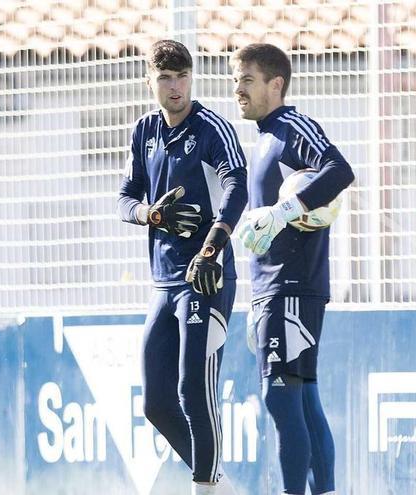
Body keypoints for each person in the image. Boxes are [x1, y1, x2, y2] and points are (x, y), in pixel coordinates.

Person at [117, 40, 247, 495]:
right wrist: (150, 214)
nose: (176, 87)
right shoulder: (144, 130)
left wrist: (213, 243)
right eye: (166, 78)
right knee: (156, 402)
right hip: (164, 282)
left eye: (183, 76)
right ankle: (220, 484)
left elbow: (237, 185)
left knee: (194, 389)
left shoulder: (211, 129)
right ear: (149, 80)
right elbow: (125, 197)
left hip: (205, 277)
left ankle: (205, 489)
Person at [232, 43, 354, 495]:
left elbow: (340, 171)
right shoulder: (265, 138)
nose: (237, 88)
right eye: (236, 79)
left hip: (293, 288)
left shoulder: (292, 127)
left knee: (281, 398)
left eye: (247, 79)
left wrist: (286, 210)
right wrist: (256, 300)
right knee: (301, 398)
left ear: (275, 84)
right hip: (275, 291)